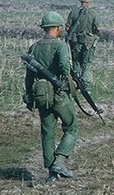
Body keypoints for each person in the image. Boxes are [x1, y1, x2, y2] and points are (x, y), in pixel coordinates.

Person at [24, 11, 78, 182]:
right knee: (71, 127)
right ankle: (60, 161)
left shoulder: (34, 47)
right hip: (59, 93)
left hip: (40, 94)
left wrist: (29, 96)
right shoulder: (60, 45)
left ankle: (51, 173)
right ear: (56, 28)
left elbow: (29, 76)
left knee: (47, 133)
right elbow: (64, 66)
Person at [65, 0, 102, 86]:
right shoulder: (93, 13)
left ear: (80, 1)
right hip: (88, 42)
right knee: (87, 62)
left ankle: (76, 81)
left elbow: (67, 28)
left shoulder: (73, 12)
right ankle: (84, 83)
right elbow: (98, 28)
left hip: (75, 42)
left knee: (76, 61)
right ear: (89, 2)